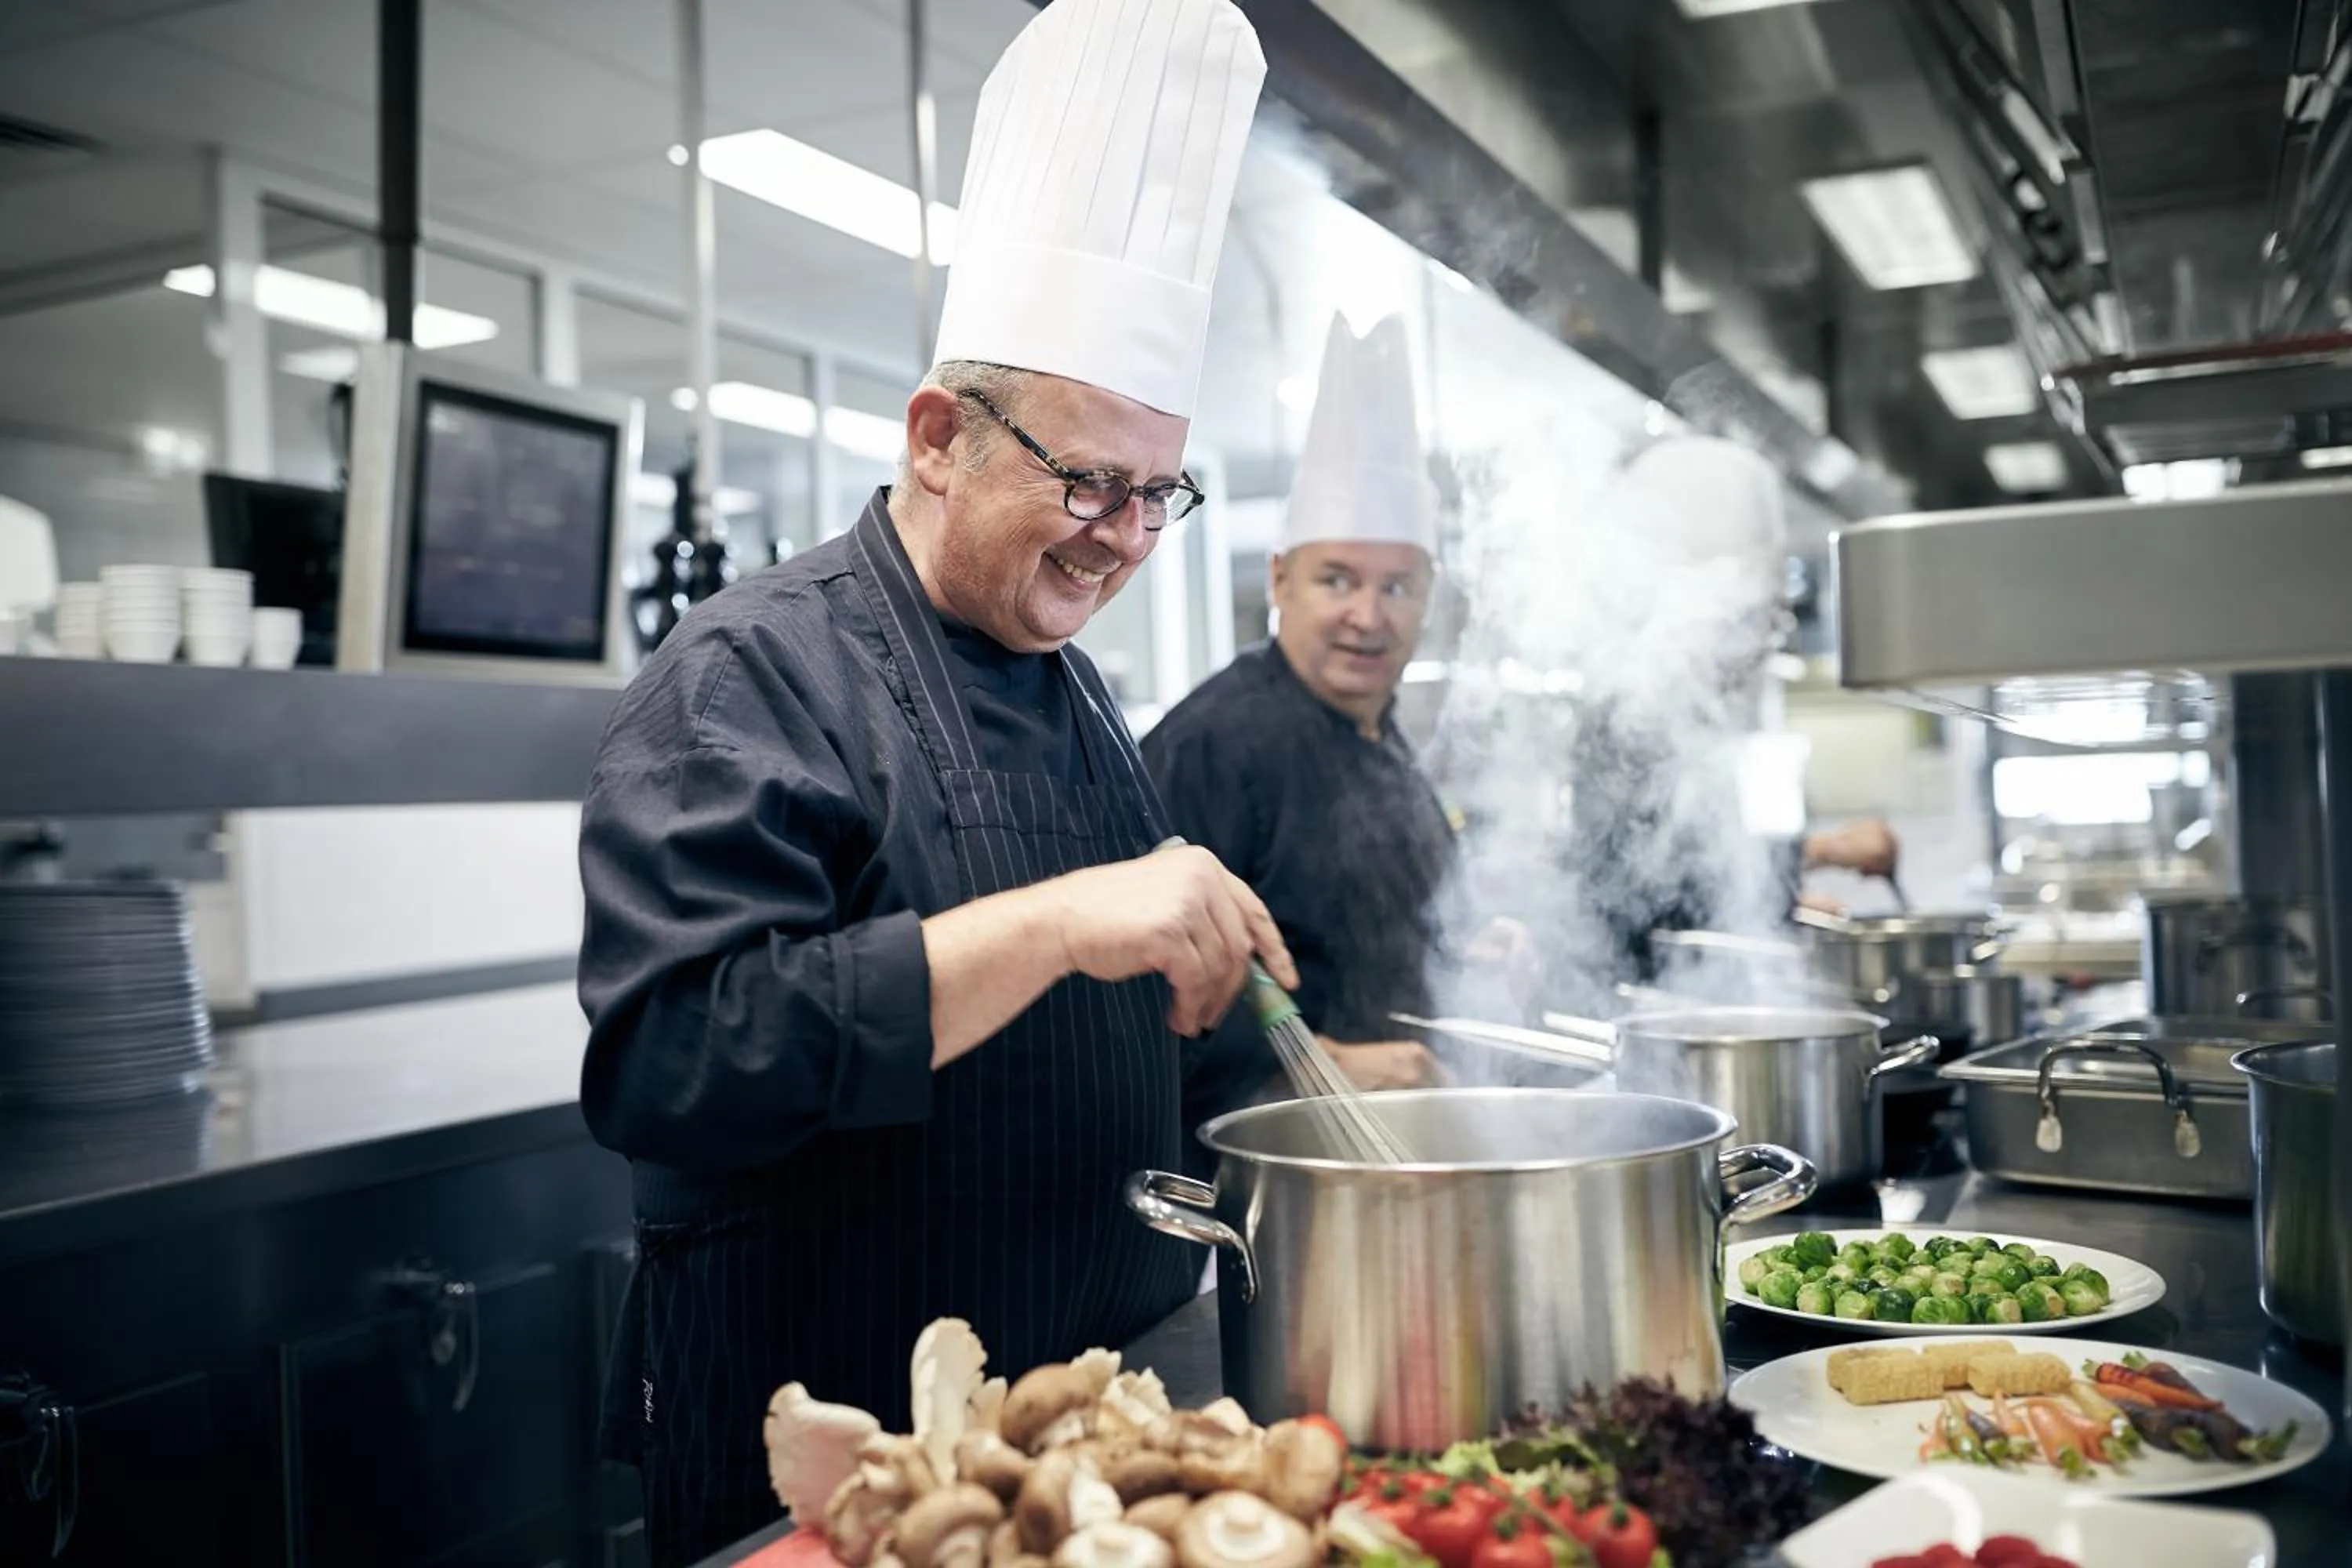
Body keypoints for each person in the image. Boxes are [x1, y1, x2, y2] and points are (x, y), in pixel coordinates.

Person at [574, 4, 1278, 1559]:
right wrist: (1058, 923)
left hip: (1078, 1441)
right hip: (837, 1467)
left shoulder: (1068, 678)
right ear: (941, 435)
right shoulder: (747, 672)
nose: (1122, 535)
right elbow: (678, 1062)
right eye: (1086, 478)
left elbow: (1099, 1016)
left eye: (1159, 493)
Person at [1145, 314, 1525, 1148]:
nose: (1367, 615)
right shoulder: (1213, 743)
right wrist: (1322, 1060)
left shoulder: (1382, 737)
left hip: (1398, 1149)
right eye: (1338, 579)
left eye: (1398, 587)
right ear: (1281, 578)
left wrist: (1466, 956)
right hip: (1269, 1174)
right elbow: (1138, 998)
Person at [1552, 434, 1902, 991]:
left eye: (1770, 618)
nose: (1765, 642)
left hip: (1710, 991)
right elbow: (1644, 890)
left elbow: (1713, 865)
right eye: (1750, 618)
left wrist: (1780, 903)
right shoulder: (1627, 718)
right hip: (1654, 1008)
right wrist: (1824, 854)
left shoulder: (1710, 715)